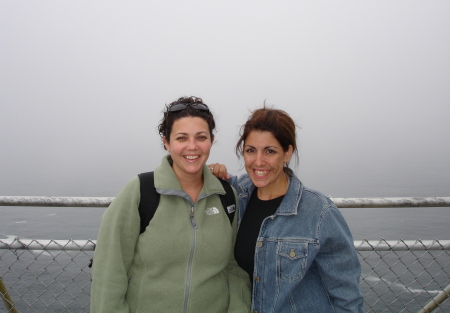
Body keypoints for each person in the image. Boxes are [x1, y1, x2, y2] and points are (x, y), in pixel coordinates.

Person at [90, 96, 251, 313]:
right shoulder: (140, 191)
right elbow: (109, 271)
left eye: (201, 137)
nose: (192, 147)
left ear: (211, 140)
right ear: (166, 142)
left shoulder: (226, 196)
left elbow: (234, 268)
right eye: (181, 138)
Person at [209, 106, 364, 313]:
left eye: (270, 151)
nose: (258, 161)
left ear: (287, 153)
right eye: (250, 150)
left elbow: (347, 296)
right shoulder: (239, 194)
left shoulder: (318, 212)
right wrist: (209, 171)